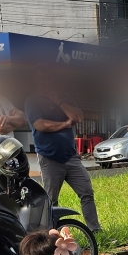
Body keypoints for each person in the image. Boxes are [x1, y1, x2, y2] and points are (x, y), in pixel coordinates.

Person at [24, 67, 102, 233]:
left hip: (71, 157)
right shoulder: (32, 101)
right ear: (36, 81)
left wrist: (59, 101)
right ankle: (52, 234)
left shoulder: (65, 98)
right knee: (51, 200)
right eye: (42, 79)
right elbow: (40, 125)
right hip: (49, 158)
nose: (46, 82)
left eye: (49, 78)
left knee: (87, 192)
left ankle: (95, 230)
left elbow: (78, 117)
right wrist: (65, 125)